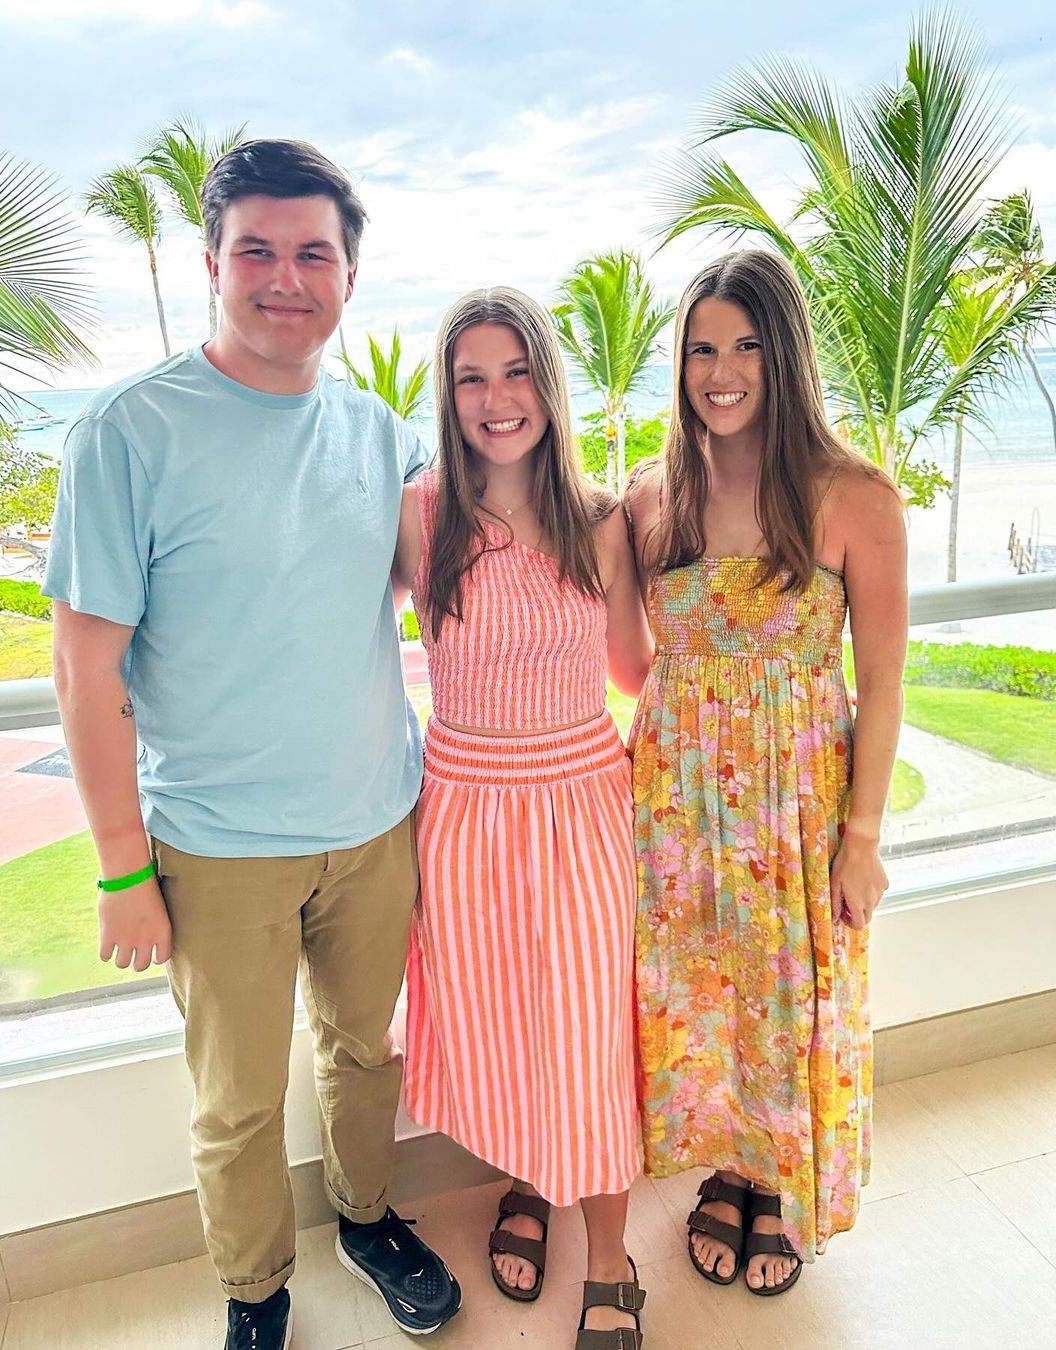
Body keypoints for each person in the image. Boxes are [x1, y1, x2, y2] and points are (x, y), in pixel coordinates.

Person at [43, 138, 461, 1350]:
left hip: (377, 825)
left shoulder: (379, 433)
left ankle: (369, 1221)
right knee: (236, 1102)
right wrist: (121, 867)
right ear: (213, 264)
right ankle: (256, 1289)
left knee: (365, 1054)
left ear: (348, 275)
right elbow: (84, 670)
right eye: (258, 251)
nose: (287, 278)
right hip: (216, 849)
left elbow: (470, 562)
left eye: (313, 254)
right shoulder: (128, 432)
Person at [625, 250, 907, 1296]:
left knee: (788, 1003)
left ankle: (778, 1180)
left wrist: (863, 838)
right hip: (677, 808)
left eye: (745, 345)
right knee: (704, 996)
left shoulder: (854, 496)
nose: (722, 371)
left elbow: (883, 684)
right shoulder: (653, 496)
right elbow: (632, 660)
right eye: (702, 349)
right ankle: (729, 1168)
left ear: (784, 354)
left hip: (797, 809)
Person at [391, 287, 654, 1348]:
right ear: (447, 395)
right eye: (471, 378)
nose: (496, 398)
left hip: (583, 802)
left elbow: (635, 670)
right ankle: (531, 1178)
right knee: (500, 1023)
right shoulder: (419, 516)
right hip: (461, 810)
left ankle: (610, 1259)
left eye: (514, 372)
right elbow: (331, 633)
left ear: (548, 385)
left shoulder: (601, 519)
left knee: (590, 1030)